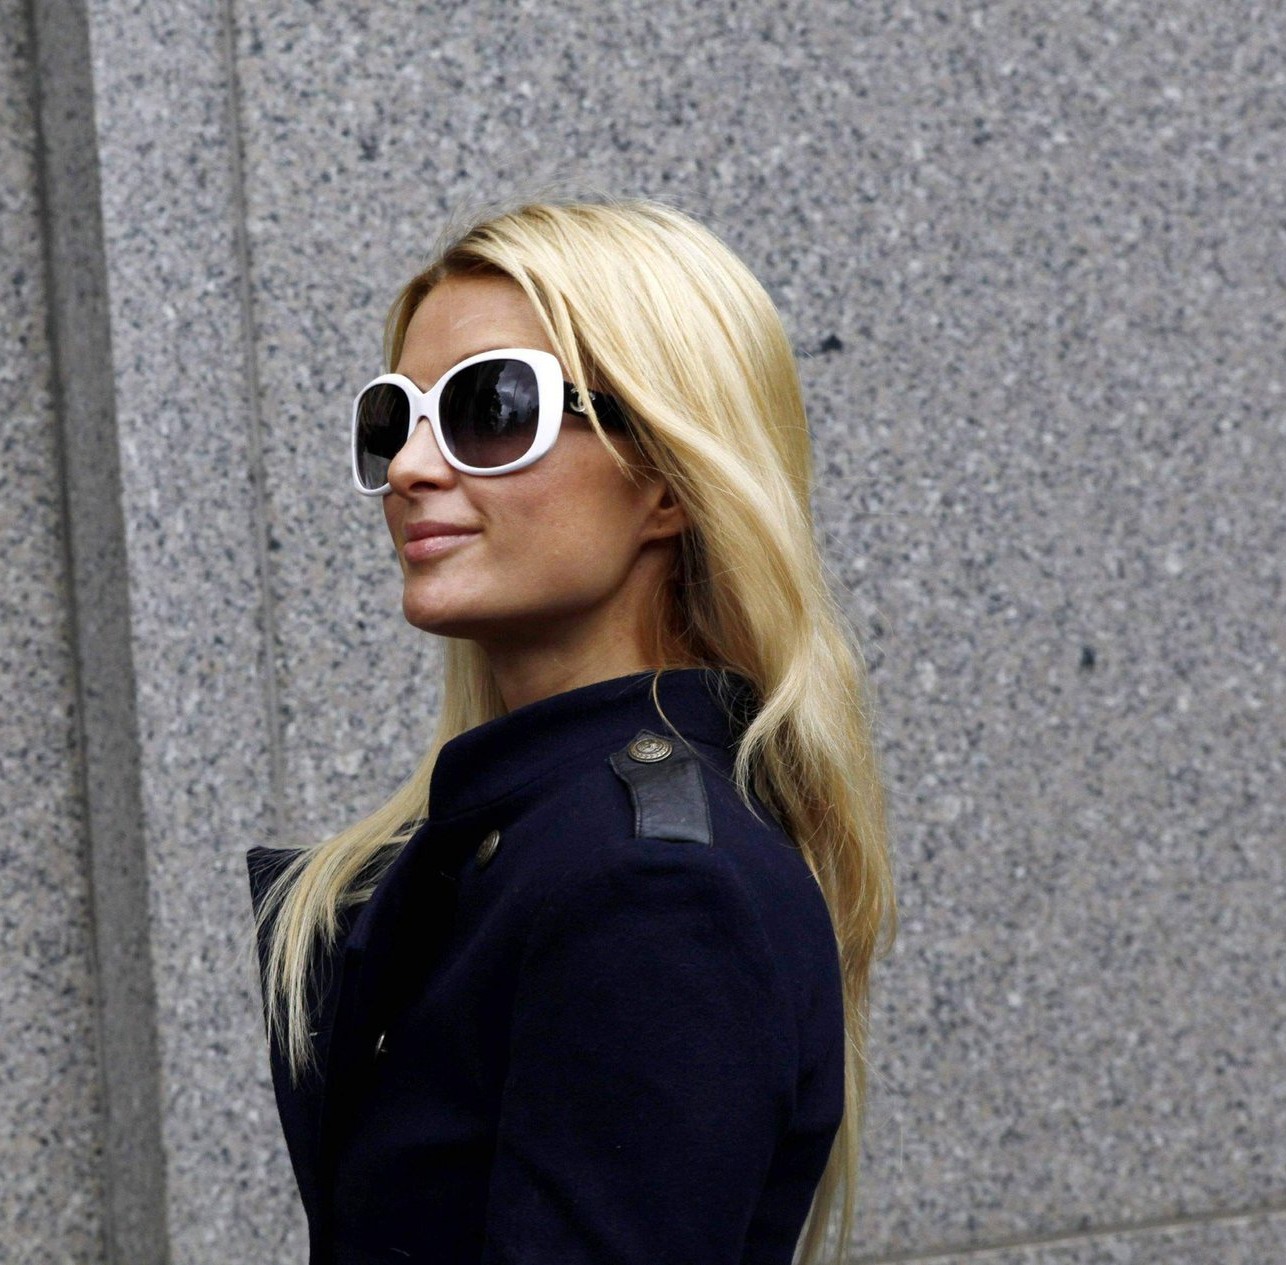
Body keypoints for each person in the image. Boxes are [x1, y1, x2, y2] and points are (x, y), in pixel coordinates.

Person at [245, 194, 897, 1264]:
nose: (409, 468)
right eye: (392, 417)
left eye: (489, 408)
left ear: (667, 485)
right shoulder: (534, 837)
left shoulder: (651, 889)